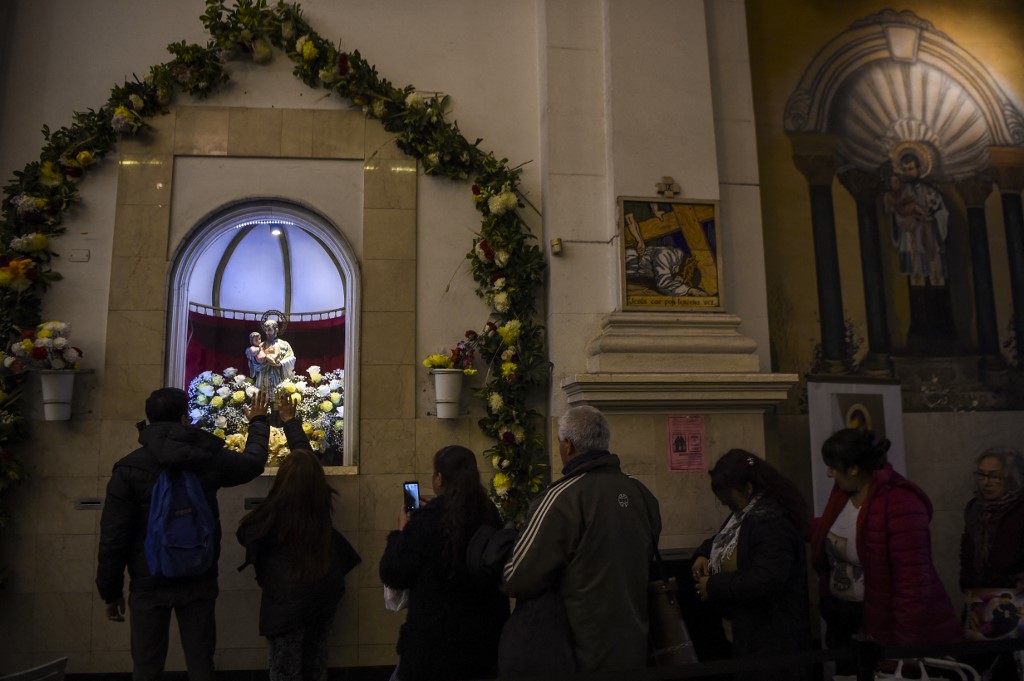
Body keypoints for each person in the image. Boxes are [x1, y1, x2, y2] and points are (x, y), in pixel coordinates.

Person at [96, 388, 274, 681]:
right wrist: (258, 421)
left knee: (146, 665)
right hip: (197, 576)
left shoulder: (129, 469)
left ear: (149, 419)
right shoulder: (206, 458)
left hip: (147, 578)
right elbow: (253, 464)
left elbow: (114, 537)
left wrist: (110, 592)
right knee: (201, 662)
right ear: (184, 418)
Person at [502, 405, 661, 674]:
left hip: (579, 650)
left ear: (568, 446)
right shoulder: (640, 492)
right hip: (634, 644)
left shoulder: (563, 497)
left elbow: (516, 576)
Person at [809, 428, 961, 672]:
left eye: (833, 467)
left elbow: (913, 583)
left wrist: (905, 649)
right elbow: (831, 528)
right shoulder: (844, 492)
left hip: (886, 625)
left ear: (854, 469)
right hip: (847, 621)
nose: (829, 473)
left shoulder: (901, 503)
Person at [237, 397, 361, 681]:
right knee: (315, 661)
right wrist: (291, 421)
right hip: (322, 597)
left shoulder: (273, 514)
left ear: (282, 481)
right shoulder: (318, 501)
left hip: (286, 605)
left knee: (285, 667)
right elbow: (305, 459)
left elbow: (246, 534)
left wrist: (260, 421)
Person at [379, 445, 509, 681]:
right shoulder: (489, 513)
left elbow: (393, 572)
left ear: (438, 478)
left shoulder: (426, 520)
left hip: (433, 647)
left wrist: (402, 531)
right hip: (483, 643)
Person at [691, 449, 810, 681]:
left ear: (747, 487)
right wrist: (703, 553)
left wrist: (713, 585)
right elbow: (726, 538)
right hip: (751, 633)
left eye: (727, 495)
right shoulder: (746, 512)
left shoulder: (771, 521)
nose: (725, 503)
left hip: (772, 639)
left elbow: (767, 578)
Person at [959, 446, 1024, 679]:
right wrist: (966, 581)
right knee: (974, 664)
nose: (985, 482)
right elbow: (967, 547)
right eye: (981, 475)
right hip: (978, 597)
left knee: (1009, 667)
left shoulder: (1020, 508)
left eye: (994, 476)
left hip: (1013, 600)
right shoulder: (974, 507)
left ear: (1012, 478)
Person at [625, 243, 709, 296]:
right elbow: (663, 283)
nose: (679, 282)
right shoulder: (666, 254)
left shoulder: (675, 264)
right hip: (626, 260)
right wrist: (689, 290)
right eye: (682, 279)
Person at [254, 317, 296, 397]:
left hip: (278, 376)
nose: (267, 333)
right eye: (265, 330)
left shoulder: (284, 344)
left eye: (269, 330)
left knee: (278, 399)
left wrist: (280, 364)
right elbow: (255, 362)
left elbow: (291, 359)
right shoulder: (261, 345)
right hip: (263, 377)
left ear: (276, 330)